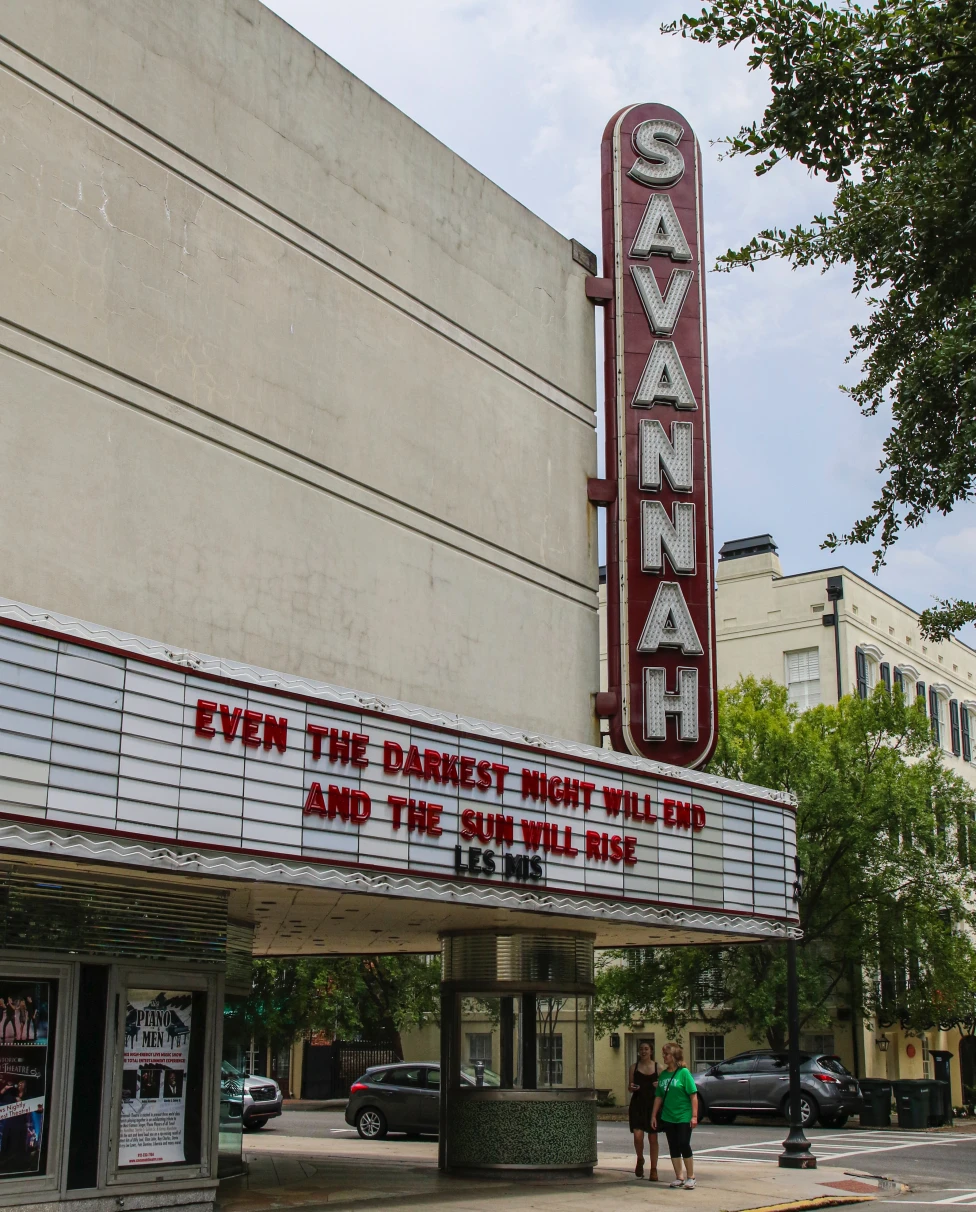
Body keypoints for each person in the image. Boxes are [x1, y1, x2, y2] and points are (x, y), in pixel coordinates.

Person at [651, 1042, 698, 1190]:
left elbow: (693, 1095)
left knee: (684, 1143)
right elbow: (658, 1097)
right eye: (663, 1054)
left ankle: (691, 1177)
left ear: (674, 1056)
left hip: (683, 1115)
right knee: (673, 1145)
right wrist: (653, 1115)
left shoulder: (683, 1073)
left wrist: (694, 1116)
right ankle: (679, 1177)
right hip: (668, 1116)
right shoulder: (664, 1075)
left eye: (667, 1054)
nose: (664, 1057)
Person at [628, 1040, 666, 1179]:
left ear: (651, 1051)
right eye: (641, 1049)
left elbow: (663, 1089)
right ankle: (640, 1159)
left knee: (652, 1137)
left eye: (646, 1049)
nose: (643, 1051)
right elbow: (629, 1087)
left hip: (652, 1104)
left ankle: (654, 1169)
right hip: (637, 1104)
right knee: (638, 1136)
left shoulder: (658, 1068)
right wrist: (632, 1088)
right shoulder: (633, 1067)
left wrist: (659, 1086)